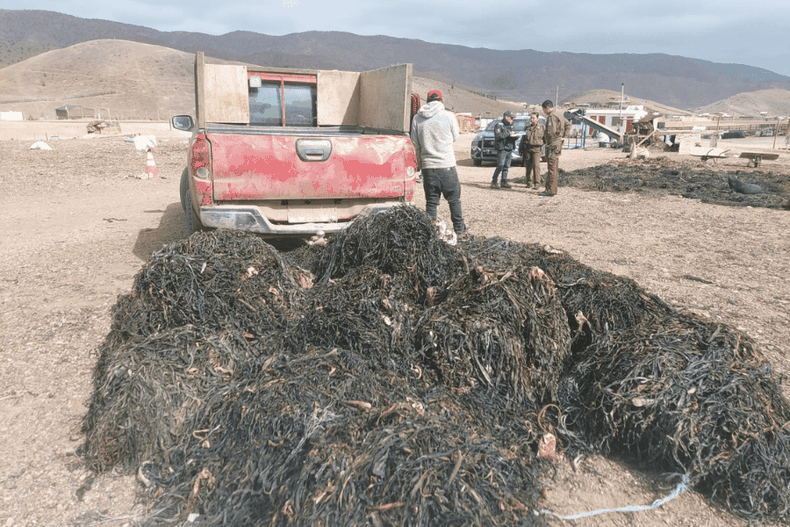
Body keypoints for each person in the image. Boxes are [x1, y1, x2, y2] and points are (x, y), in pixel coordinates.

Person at [410, 89, 467, 237]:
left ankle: (430, 235)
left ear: (427, 100)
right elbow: (455, 136)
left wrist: (420, 164)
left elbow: (415, 143)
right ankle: (460, 232)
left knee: (431, 203)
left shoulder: (417, 118)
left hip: (428, 168)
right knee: (454, 201)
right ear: (441, 100)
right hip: (446, 165)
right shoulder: (448, 116)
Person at [541, 100, 570, 196]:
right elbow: (568, 124)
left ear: (547, 108)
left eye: (544, 110)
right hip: (557, 144)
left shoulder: (552, 117)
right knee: (554, 167)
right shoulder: (559, 115)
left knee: (552, 168)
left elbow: (551, 132)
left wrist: (548, 143)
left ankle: (550, 190)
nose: (544, 112)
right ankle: (552, 189)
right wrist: (563, 137)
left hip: (553, 145)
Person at [491, 110, 516, 189]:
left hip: (509, 148)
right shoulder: (499, 125)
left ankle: (504, 181)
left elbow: (512, 135)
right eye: (511, 118)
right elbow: (498, 136)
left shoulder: (510, 126)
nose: (512, 119)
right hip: (502, 148)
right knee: (500, 165)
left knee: (506, 166)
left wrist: (515, 136)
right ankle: (494, 181)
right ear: (506, 117)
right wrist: (508, 134)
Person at [518, 112, 544, 190]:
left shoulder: (542, 128)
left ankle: (537, 183)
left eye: (533, 118)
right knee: (528, 167)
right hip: (527, 149)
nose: (532, 120)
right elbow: (523, 139)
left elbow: (545, 139)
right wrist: (520, 149)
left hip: (536, 150)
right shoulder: (527, 128)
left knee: (536, 166)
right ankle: (529, 182)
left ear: (537, 119)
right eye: (531, 118)